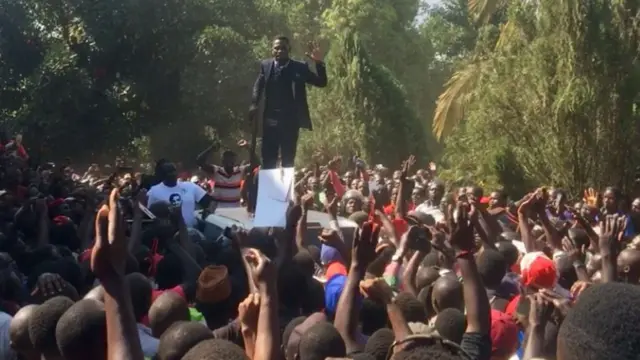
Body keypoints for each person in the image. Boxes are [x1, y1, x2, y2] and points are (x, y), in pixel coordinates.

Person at [249, 35, 328, 169]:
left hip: (290, 122)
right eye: (277, 48)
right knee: (268, 159)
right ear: (272, 50)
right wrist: (254, 104)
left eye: (283, 48)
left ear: (289, 49)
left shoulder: (299, 67)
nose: (280, 51)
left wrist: (319, 63)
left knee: (288, 160)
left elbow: (321, 82)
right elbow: (258, 85)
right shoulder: (266, 66)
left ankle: (286, 188)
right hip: (270, 120)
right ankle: (268, 188)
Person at [147, 161, 215, 227]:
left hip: (191, 231)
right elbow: (148, 213)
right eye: (169, 173)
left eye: (174, 171)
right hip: (167, 234)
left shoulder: (190, 186)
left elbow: (210, 202)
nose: (172, 174)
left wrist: (209, 210)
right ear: (163, 175)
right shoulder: (154, 191)